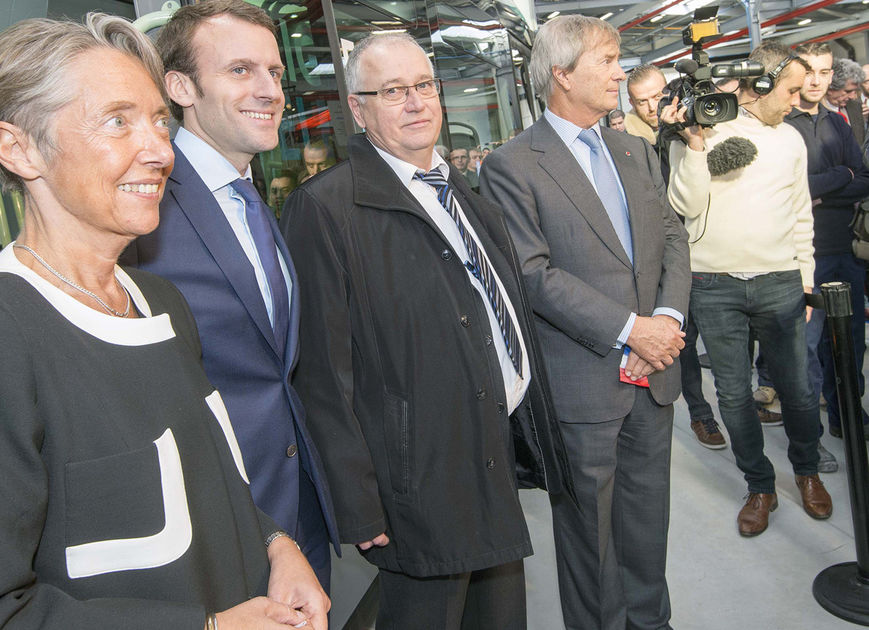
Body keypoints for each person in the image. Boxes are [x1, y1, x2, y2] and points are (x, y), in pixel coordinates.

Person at [0, 0, 338, 590]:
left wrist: (275, 542)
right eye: (117, 121)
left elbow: (199, 465)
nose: (158, 149)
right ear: (18, 148)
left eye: (157, 120)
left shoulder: (158, 300)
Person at [282, 32, 573, 629]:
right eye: (392, 91)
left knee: (497, 615)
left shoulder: (461, 188)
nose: (415, 102)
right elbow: (321, 375)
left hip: (489, 448)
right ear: (358, 110)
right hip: (417, 479)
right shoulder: (328, 208)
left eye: (422, 86)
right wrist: (359, 504)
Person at [482, 15, 689, 630]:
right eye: (606, 59)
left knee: (648, 524)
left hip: (652, 375)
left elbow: (672, 236)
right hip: (583, 385)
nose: (620, 71)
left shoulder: (633, 149)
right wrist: (632, 329)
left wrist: (667, 321)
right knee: (589, 541)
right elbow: (533, 273)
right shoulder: (513, 165)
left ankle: (651, 622)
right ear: (562, 74)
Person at [665, 41, 833, 537]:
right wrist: (694, 145)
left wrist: (805, 277)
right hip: (713, 286)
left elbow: (802, 212)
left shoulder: (792, 140)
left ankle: (805, 473)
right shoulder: (699, 126)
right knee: (735, 395)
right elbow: (685, 204)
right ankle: (759, 484)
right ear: (758, 85)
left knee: (799, 391)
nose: (797, 101)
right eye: (790, 90)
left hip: (781, 282)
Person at [785, 43, 869, 445]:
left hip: (844, 250)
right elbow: (787, 191)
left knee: (852, 342)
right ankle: (810, 443)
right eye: (810, 72)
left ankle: (848, 416)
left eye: (825, 71)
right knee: (808, 349)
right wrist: (842, 176)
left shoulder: (838, 123)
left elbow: (864, 178)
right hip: (803, 256)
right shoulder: (782, 125)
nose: (817, 81)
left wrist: (822, 188)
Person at [826, 58, 866, 147]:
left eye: (855, 91)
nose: (852, 96)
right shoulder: (814, 111)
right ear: (830, 88)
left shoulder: (856, 107)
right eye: (848, 91)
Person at [624, 64, 667, 145]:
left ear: (669, 92)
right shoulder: (627, 144)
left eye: (657, 97)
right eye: (642, 101)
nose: (652, 107)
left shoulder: (689, 125)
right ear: (632, 103)